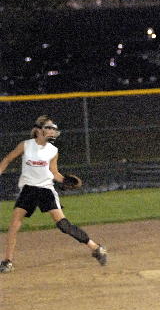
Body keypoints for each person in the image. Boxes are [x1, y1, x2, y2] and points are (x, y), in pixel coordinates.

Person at [0, 115, 107, 274]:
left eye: (53, 128)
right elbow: (7, 159)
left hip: (46, 190)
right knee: (14, 224)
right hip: (28, 190)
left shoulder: (53, 150)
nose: (52, 130)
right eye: (48, 127)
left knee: (63, 225)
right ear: (39, 130)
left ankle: (96, 248)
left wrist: (64, 180)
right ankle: (7, 261)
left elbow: (54, 172)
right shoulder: (26, 145)